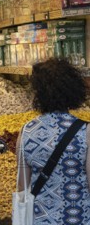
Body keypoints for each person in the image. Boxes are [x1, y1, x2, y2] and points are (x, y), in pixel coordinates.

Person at [16, 58, 90, 224]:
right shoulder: (86, 131)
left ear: (38, 93)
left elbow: (22, 187)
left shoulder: (26, 131)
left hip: (40, 219)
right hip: (79, 218)